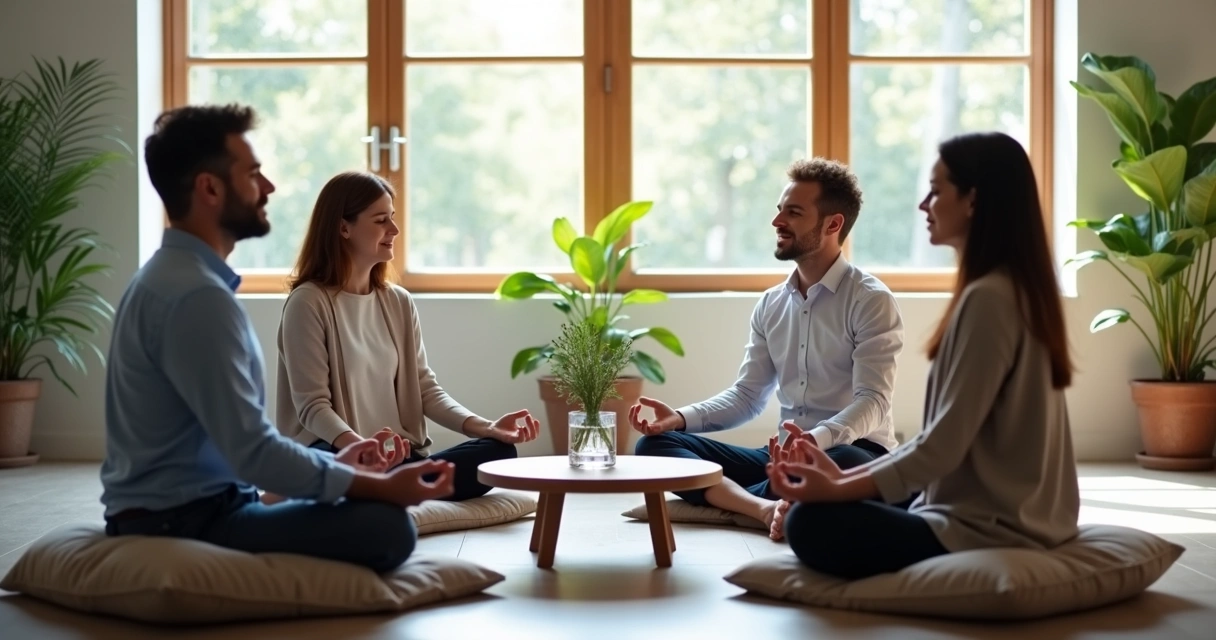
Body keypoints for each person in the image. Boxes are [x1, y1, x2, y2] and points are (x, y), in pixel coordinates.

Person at [100, 104, 456, 574]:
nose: (268, 187)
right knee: (388, 527)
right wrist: (376, 486)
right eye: (253, 174)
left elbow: (244, 444)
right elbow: (253, 452)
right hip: (183, 521)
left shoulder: (170, 279)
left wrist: (342, 464)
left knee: (374, 512)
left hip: (199, 505)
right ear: (209, 188)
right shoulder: (196, 298)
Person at [768, 131, 1080, 580]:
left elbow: (940, 448)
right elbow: (942, 442)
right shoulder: (1012, 288)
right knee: (853, 467)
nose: (924, 205)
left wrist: (836, 488)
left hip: (989, 529)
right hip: (1010, 516)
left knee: (810, 521)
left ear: (973, 200)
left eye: (936, 191)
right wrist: (840, 481)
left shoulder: (989, 299)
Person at [630, 158, 904, 540]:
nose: (777, 222)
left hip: (851, 452)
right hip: (782, 458)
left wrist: (816, 439)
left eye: (793, 213)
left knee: (831, 468)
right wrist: (678, 418)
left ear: (833, 224)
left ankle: (735, 498)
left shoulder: (870, 299)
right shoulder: (771, 304)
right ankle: (763, 507)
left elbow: (873, 401)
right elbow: (747, 397)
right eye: (779, 211)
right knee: (654, 446)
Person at [275, 170, 539, 502]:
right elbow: (312, 407)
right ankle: (390, 488)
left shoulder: (398, 301)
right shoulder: (308, 302)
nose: (394, 230)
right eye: (381, 220)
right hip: (339, 454)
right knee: (333, 467)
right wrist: (363, 449)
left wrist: (485, 426)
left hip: (398, 459)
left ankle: (393, 488)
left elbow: (425, 388)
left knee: (498, 451)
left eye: (393, 218)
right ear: (344, 228)